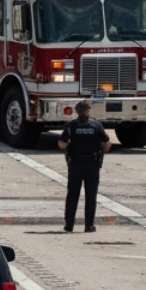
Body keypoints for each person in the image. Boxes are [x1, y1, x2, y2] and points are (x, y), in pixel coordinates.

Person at [57, 100, 111, 233]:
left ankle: (69, 225)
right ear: (89, 110)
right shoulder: (96, 125)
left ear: (77, 111)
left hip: (75, 164)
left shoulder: (71, 126)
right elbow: (107, 143)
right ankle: (89, 225)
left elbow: (62, 144)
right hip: (92, 164)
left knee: (72, 195)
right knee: (91, 196)